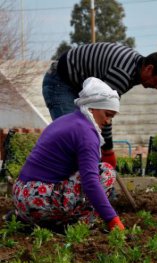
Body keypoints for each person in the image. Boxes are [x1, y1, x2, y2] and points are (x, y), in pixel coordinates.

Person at [11, 77, 125, 232]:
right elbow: (91, 183)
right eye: (107, 114)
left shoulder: (67, 120)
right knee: (105, 172)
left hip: (22, 194)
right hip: (36, 200)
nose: (108, 121)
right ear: (92, 108)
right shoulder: (86, 133)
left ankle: (30, 219)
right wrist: (113, 220)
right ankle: (76, 227)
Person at [43, 42, 157, 168]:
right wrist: (108, 150)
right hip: (61, 82)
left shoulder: (135, 66)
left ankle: (90, 187)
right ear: (149, 68)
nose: (156, 87)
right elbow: (104, 111)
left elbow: (102, 111)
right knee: (73, 139)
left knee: (85, 142)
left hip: (77, 86)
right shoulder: (123, 73)